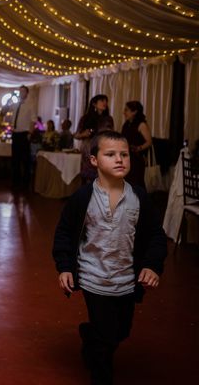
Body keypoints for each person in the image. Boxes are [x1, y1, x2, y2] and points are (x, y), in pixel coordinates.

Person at [52, 130, 167, 385]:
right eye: (111, 154)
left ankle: (89, 334)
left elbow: (156, 236)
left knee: (120, 332)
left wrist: (151, 265)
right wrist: (65, 267)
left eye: (124, 154)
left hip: (125, 281)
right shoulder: (83, 198)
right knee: (106, 342)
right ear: (94, 160)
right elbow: (64, 233)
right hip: (95, 279)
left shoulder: (139, 198)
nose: (119, 160)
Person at [75, 94, 114, 183]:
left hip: (103, 149)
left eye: (106, 101)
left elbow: (112, 135)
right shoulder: (85, 118)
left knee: (103, 177)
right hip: (88, 150)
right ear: (94, 104)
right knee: (88, 178)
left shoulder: (108, 119)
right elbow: (77, 135)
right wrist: (83, 134)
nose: (105, 103)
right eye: (102, 101)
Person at [2, 85, 36, 188]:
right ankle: (15, 182)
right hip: (15, 134)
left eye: (23, 91)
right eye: (20, 91)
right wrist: (9, 100)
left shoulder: (30, 105)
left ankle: (25, 182)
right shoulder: (15, 104)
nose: (21, 93)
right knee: (15, 159)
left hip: (24, 134)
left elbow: (33, 121)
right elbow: (4, 111)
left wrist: (30, 133)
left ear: (27, 93)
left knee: (25, 159)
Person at [121, 101, 152, 189]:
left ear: (134, 112)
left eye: (126, 110)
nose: (124, 112)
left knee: (136, 183)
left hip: (136, 159)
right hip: (126, 158)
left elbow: (149, 142)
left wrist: (138, 148)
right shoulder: (126, 124)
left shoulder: (141, 125)